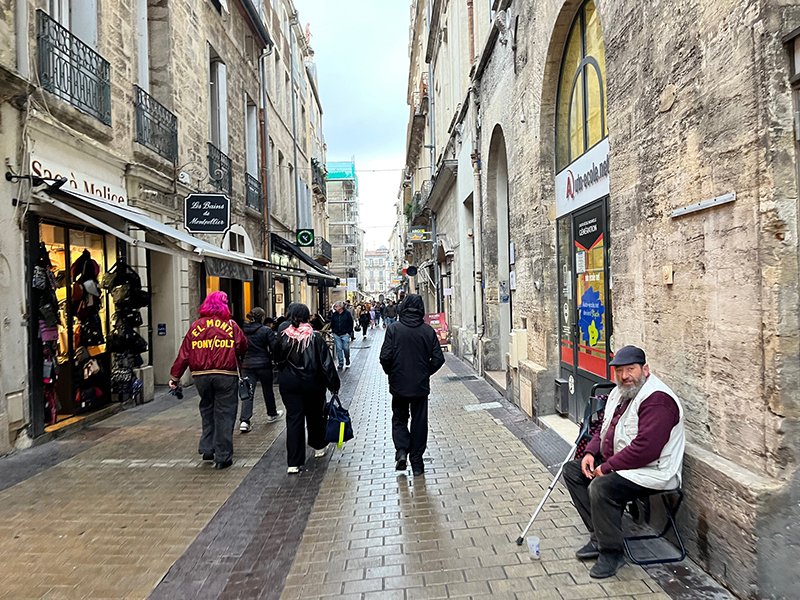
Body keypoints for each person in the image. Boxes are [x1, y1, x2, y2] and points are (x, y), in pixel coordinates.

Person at [562, 345, 685, 579]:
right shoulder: (619, 392)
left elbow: (646, 450)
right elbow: (603, 429)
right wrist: (589, 453)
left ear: (645, 369)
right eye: (619, 371)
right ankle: (600, 536)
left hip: (653, 470)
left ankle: (612, 553)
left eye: (631, 369)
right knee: (573, 470)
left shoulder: (658, 399)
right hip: (623, 462)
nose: (625, 376)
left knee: (601, 486)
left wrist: (606, 467)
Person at [169, 291, 248, 470]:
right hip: (226, 375)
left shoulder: (196, 326)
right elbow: (242, 345)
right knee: (225, 414)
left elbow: (184, 353)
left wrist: (175, 377)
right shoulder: (231, 325)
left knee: (207, 409)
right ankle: (223, 456)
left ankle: (207, 448)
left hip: (201, 376)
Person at [379, 294, 445, 476]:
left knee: (399, 418)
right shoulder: (427, 331)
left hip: (399, 384)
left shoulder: (394, 329)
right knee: (419, 421)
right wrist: (424, 372)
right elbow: (439, 358)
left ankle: (401, 451)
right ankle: (417, 461)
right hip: (419, 385)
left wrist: (392, 373)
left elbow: (385, 357)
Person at [274, 303, 340, 474]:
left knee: (294, 420)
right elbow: (326, 364)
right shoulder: (315, 337)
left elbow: (277, 359)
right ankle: (318, 447)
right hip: (312, 384)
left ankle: (294, 463)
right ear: (307, 316)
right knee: (315, 416)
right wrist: (334, 385)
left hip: (289, 385)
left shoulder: (284, 336)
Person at [239, 307, 282, 433]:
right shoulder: (266, 330)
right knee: (267, 390)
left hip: (247, 364)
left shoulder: (243, 330)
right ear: (262, 318)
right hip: (263, 364)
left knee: (248, 392)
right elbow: (274, 347)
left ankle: (245, 420)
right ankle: (271, 413)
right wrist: (276, 360)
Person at [330, 301, 354, 369]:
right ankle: (341, 362)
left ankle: (347, 358)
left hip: (345, 334)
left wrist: (349, 332)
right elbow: (332, 322)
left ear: (340, 307)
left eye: (336, 306)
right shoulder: (334, 314)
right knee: (339, 348)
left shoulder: (347, 314)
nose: (334, 308)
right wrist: (333, 331)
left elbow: (351, 322)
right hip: (337, 334)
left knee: (346, 348)